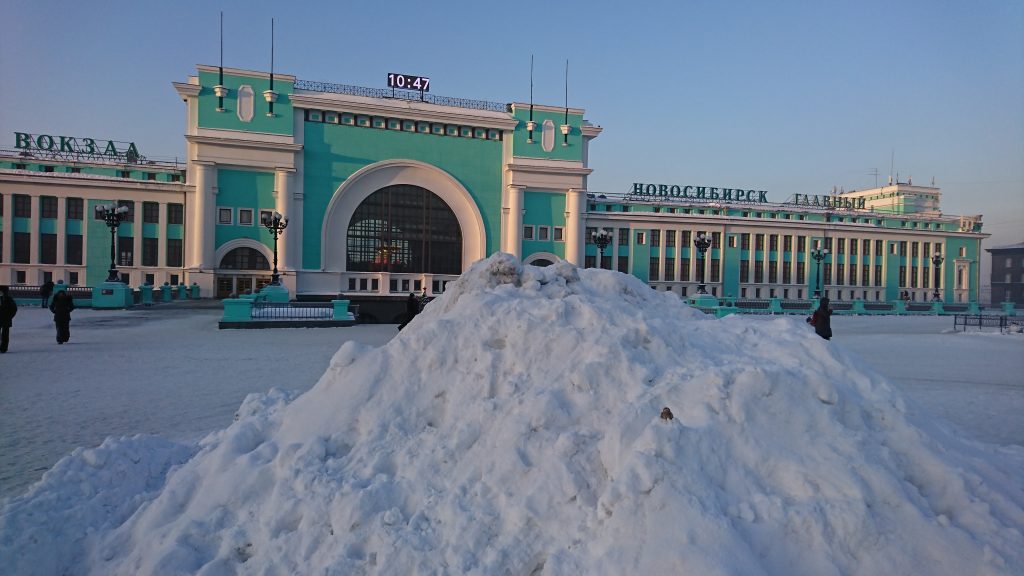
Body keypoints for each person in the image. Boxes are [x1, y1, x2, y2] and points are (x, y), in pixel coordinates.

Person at [0, 286, 18, 353]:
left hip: (6, 319)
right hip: (5, 318)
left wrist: (9, 317)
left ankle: (3, 348)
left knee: (5, 334)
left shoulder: (8, 299)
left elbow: (14, 309)